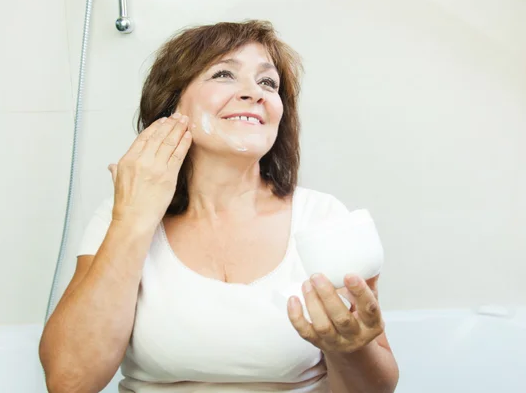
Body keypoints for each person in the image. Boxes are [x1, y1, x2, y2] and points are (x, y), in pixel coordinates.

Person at [39, 20, 399, 393]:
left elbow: (374, 387)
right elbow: (70, 380)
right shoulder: (124, 211)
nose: (254, 93)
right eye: (224, 74)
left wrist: (351, 350)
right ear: (171, 103)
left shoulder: (324, 220)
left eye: (267, 83)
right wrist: (132, 219)